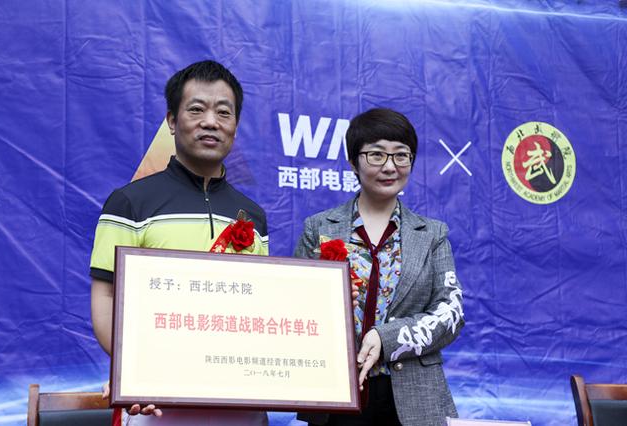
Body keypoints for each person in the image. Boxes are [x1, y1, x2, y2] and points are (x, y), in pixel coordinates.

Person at [90, 60, 268, 425]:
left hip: (239, 401)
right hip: (155, 403)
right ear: (172, 121)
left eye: (224, 112)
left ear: (235, 125)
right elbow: (105, 298)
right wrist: (133, 371)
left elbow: (259, 308)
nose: (211, 122)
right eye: (196, 109)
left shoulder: (252, 216)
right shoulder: (129, 203)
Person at [294, 108, 464, 426]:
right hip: (336, 391)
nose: (389, 166)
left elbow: (450, 313)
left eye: (401, 155)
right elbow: (297, 306)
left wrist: (387, 338)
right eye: (376, 155)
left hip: (413, 398)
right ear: (353, 162)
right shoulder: (319, 228)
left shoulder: (432, 234)